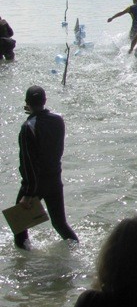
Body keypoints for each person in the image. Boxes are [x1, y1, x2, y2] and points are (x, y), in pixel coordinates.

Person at [13, 85, 79, 250]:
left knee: (19, 226)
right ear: (45, 101)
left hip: (36, 184)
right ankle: (77, 248)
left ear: (27, 103)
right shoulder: (58, 119)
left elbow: (28, 163)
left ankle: (24, 263)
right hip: (55, 180)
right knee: (60, 224)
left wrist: (28, 193)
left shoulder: (28, 127)